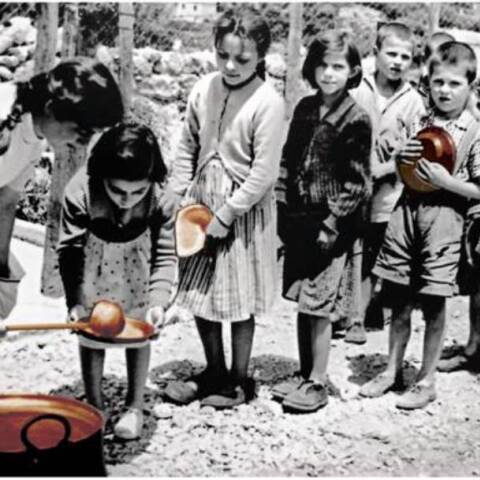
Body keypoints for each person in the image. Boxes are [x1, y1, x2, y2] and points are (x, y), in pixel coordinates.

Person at [164, 7, 285, 409]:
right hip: (201, 204)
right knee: (201, 290)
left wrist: (228, 213)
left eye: (242, 59)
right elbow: (188, 145)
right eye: (222, 55)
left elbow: (264, 173)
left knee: (238, 297)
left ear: (260, 56)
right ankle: (213, 369)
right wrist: (176, 193)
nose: (230, 66)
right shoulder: (203, 88)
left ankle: (238, 380)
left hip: (241, 213)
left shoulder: (268, 102)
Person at [360, 42, 480, 409]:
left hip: (445, 219)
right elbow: (403, 171)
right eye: (438, 82)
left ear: (471, 86)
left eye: (455, 83)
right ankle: (392, 370)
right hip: (406, 213)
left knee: (433, 303)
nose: (445, 90)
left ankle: (426, 380)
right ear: (427, 82)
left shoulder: (474, 131)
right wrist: (401, 157)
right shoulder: (418, 121)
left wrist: (448, 182)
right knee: (398, 298)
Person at [273, 30, 371, 412]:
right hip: (300, 220)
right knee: (303, 299)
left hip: (331, 227)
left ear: (353, 71)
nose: (329, 74)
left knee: (319, 302)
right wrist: (281, 204)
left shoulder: (356, 119)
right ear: (312, 68)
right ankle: (303, 372)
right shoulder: (304, 109)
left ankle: (318, 382)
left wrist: (332, 224)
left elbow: (357, 184)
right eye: (322, 65)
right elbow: (288, 159)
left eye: (338, 67)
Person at [57, 123, 176, 439]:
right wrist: (75, 301)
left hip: (137, 278)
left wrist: (158, 302)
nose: (127, 200)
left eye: (138, 192)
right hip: (92, 277)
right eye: (117, 190)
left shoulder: (163, 199)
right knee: (90, 336)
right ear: (102, 177)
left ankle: (134, 406)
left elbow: (165, 255)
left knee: (139, 335)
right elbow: (70, 251)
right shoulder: (79, 193)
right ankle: (94, 404)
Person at [0, 57, 123, 320]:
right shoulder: (3, 112)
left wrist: (0, 271)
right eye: (81, 132)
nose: (83, 144)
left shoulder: (34, 138)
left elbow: (5, 203)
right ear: (51, 109)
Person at [349, 22, 425, 343]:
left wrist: (399, 156)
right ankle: (346, 313)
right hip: (353, 185)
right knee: (350, 248)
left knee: (375, 250)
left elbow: (417, 146)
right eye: (391, 54)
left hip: (389, 191)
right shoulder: (357, 89)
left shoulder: (413, 101)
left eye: (405, 57)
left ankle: (366, 311)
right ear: (376, 53)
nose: (397, 62)